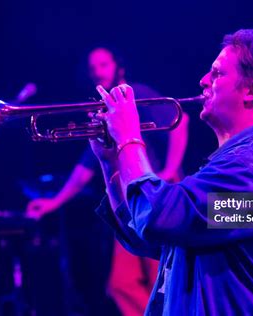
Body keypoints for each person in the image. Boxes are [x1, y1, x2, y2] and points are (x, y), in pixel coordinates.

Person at [89, 29, 253, 315]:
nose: (203, 81)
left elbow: (156, 218)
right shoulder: (237, 161)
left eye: (217, 74)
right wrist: (111, 162)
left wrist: (129, 137)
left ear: (252, 90)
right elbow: (148, 236)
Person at [26, 46, 189, 316]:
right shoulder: (105, 111)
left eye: (103, 65)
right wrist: (54, 202)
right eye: (92, 68)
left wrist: (171, 169)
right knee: (120, 284)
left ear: (118, 66)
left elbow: (180, 122)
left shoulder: (135, 93)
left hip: (160, 194)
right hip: (129, 199)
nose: (97, 72)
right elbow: (85, 168)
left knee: (165, 280)